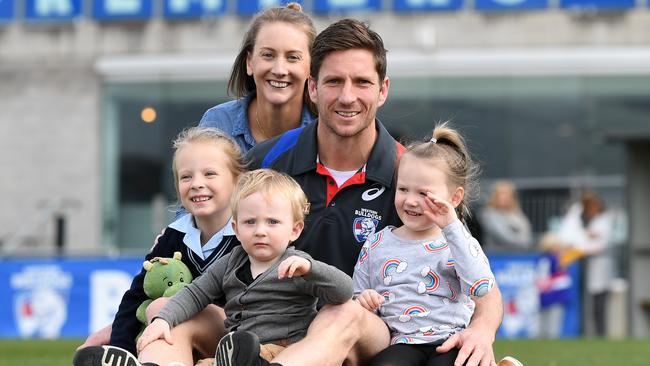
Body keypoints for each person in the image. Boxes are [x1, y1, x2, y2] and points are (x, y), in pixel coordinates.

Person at [243, 18, 505, 366]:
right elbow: (225, 254)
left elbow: (478, 275)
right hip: (276, 331)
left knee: (343, 314)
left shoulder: (410, 175)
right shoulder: (267, 161)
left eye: (362, 82)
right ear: (313, 88)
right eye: (334, 81)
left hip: (372, 339)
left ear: (382, 90)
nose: (347, 96)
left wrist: (483, 331)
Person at [137, 169, 353, 365]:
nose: (260, 231)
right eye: (250, 222)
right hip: (232, 350)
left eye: (272, 222)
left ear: (295, 230)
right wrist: (163, 320)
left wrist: (311, 269)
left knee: (256, 357)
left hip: (282, 351)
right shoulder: (231, 261)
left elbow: (344, 291)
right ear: (236, 228)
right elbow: (195, 293)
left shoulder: (297, 265)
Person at [74, 127, 246, 365]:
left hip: (234, 336)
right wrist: (120, 348)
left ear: (237, 181)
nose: (196, 183)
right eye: (186, 177)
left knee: (162, 307)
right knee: (153, 313)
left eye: (209, 174)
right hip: (177, 330)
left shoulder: (248, 235)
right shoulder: (172, 237)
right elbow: (135, 296)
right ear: (177, 186)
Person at [353, 124, 496, 366]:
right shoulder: (377, 242)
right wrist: (364, 300)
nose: (410, 201)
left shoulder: (458, 242)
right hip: (401, 342)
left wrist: (452, 227)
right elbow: (357, 295)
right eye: (403, 189)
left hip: (452, 341)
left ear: (455, 197)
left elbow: (481, 287)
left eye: (424, 193)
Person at [199, 2, 317, 153]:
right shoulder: (219, 125)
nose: (279, 70)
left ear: (311, 66)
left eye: (293, 57)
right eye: (268, 55)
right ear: (249, 62)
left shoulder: (325, 129)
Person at [556, 190, 614, 337]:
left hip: (600, 268)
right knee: (592, 304)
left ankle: (601, 333)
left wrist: (579, 249)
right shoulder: (589, 221)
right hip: (591, 268)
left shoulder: (603, 221)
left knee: (599, 304)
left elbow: (599, 245)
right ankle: (592, 332)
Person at [479, 180, 533, 252]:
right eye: (501, 194)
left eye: (507, 194)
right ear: (495, 196)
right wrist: (522, 242)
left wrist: (524, 241)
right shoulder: (488, 214)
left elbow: (526, 232)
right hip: (497, 256)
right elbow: (503, 236)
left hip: (518, 255)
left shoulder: (517, 213)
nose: (504, 197)